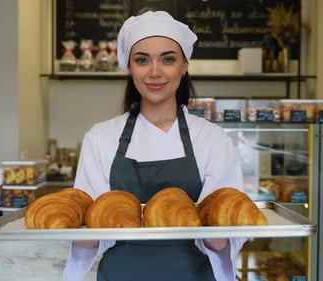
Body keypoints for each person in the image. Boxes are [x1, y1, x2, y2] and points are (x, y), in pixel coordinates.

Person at [63, 10, 247, 281]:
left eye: (168, 59)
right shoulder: (101, 138)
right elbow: (91, 235)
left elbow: (222, 240)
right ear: (130, 67)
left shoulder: (212, 140)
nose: (154, 72)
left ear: (184, 66)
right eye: (142, 60)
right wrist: (77, 229)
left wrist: (222, 232)